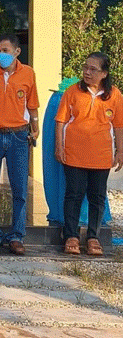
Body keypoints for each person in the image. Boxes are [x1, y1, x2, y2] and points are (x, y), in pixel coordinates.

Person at [0, 33, 39, 255]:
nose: (0, 54)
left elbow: (32, 105)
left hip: (18, 136)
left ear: (17, 52)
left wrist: (35, 127)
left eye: (5, 50)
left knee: (20, 189)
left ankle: (16, 236)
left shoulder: (28, 73)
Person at [55, 52, 123, 256]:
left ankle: (93, 237)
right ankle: (71, 236)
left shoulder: (115, 95)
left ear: (104, 73)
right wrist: (59, 147)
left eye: (93, 69)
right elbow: (60, 121)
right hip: (74, 154)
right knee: (73, 195)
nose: (87, 72)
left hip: (101, 156)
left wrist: (120, 151)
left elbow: (118, 126)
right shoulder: (72, 92)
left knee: (97, 197)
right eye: (85, 67)